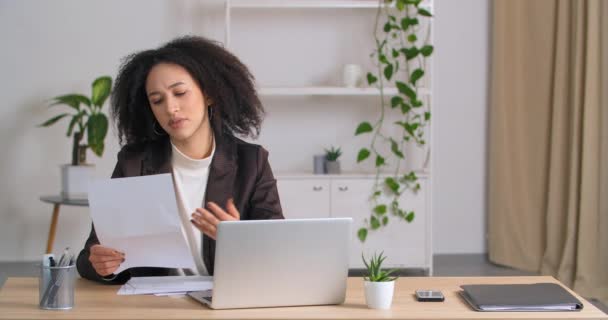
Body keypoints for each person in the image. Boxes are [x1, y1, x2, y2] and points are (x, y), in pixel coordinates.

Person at [76, 36, 284, 284]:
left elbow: (279, 250)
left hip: (225, 300)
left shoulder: (252, 162)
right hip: (156, 305)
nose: (171, 108)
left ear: (209, 94)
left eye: (180, 92)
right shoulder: (134, 162)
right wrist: (103, 266)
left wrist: (238, 239)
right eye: (157, 100)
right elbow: (89, 255)